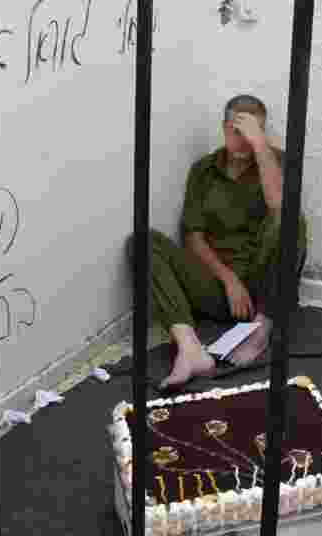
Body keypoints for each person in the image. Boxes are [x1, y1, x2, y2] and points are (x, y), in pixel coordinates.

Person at [129, 95, 308, 390]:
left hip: (263, 286)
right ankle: (189, 348)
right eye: (237, 131)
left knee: (291, 219)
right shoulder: (204, 170)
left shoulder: (276, 162)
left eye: (253, 132)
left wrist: (261, 146)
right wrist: (228, 280)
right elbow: (193, 237)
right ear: (225, 128)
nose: (244, 141)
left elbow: (279, 207)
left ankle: (262, 329)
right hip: (218, 288)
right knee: (143, 242)